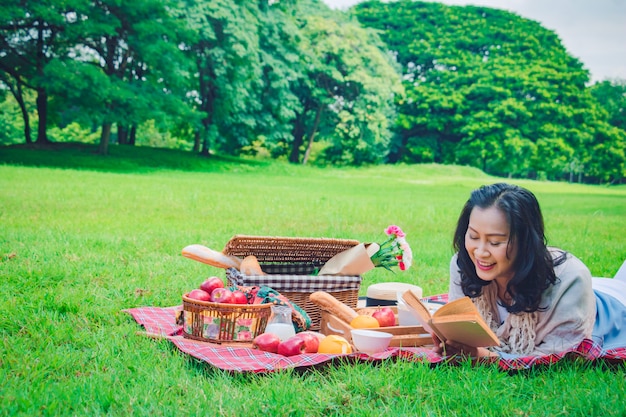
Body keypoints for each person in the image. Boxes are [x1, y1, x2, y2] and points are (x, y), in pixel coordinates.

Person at [440, 183, 626, 358]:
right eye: (473, 236)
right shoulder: (464, 263)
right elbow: (460, 328)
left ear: (525, 241)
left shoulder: (570, 279)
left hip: (615, 303)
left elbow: (560, 354)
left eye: (495, 242)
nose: (480, 252)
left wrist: (487, 357)